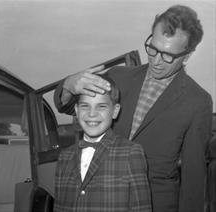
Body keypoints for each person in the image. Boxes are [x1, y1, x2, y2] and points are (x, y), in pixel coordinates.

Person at [54, 5, 213, 212]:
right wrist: (68, 85)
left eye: (168, 56)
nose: (156, 61)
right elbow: (70, 107)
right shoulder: (120, 76)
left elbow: (194, 177)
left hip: (156, 204)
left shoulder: (198, 101)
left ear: (188, 55)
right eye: (153, 49)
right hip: (103, 197)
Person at [54, 75, 152, 212]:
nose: (92, 114)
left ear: (115, 111)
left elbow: (142, 207)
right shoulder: (64, 157)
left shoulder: (131, 152)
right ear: (76, 110)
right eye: (85, 106)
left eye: (101, 106)